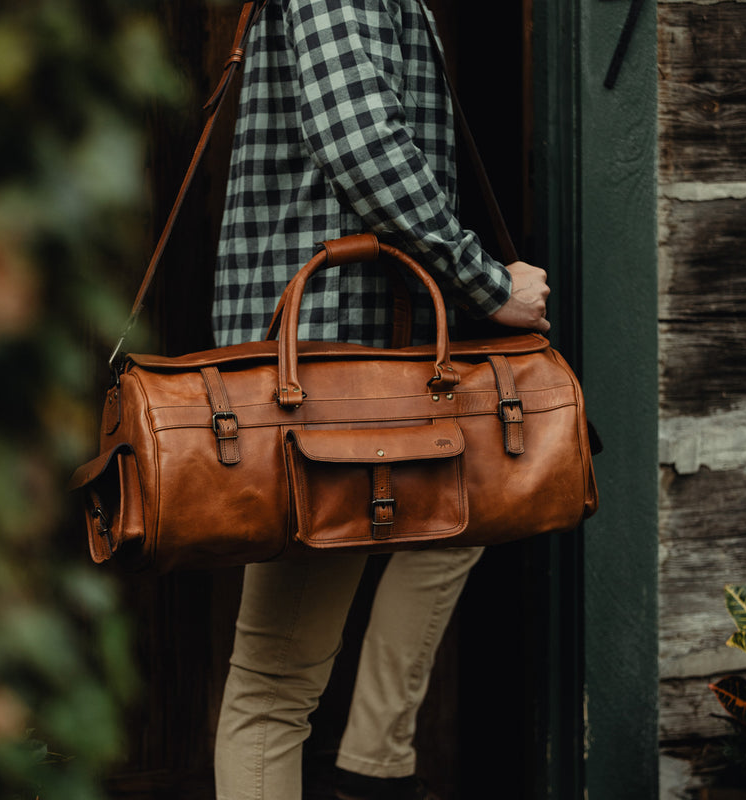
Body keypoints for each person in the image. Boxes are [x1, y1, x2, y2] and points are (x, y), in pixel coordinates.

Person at [212, 1, 550, 798]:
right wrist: (486, 283)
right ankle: (374, 764)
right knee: (272, 686)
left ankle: (374, 763)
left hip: (379, 352)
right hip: (330, 368)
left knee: (464, 515)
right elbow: (361, 144)